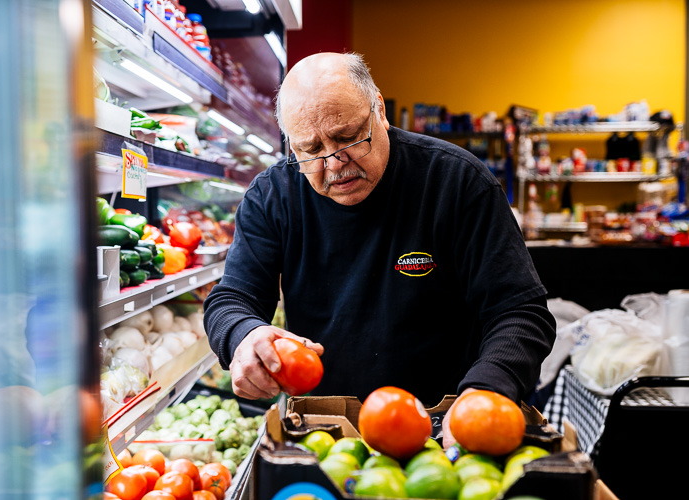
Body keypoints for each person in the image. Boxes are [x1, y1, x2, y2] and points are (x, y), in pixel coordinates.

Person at [203, 52, 556, 448]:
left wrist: (487, 389)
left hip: (448, 428)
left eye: (348, 136)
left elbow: (521, 312)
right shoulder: (272, 196)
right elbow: (230, 299)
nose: (334, 163)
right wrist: (243, 335)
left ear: (379, 111)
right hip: (325, 429)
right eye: (310, 149)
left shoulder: (457, 182)